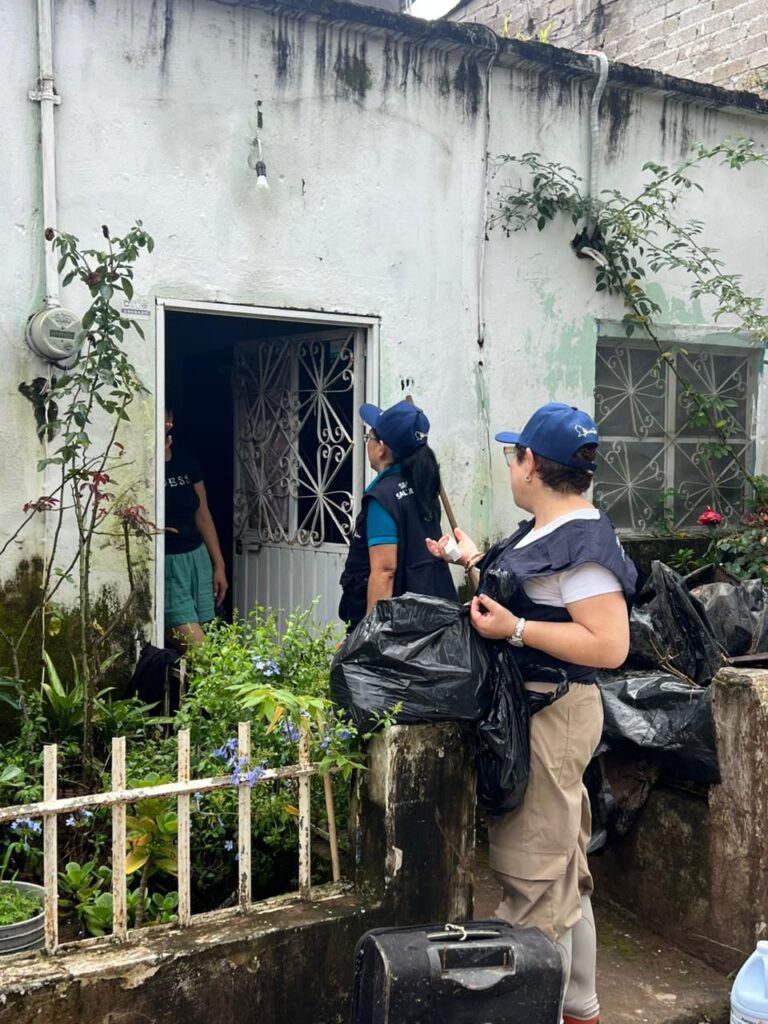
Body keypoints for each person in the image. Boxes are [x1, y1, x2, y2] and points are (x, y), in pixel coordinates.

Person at [427, 402, 637, 1024]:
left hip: (553, 713)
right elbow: (526, 593)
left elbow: (609, 645)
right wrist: (471, 560)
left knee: (533, 879)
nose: (510, 466)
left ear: (530, 465)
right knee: (564, 871)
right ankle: (579, 1007)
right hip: (539, 711)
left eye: (512, 454)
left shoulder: (584, 544)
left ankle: (533, 1008)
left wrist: (516, 630)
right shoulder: (547, 528)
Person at [339, 400, 457, 630]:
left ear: (381, 448)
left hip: (399, 628)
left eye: (369, 437)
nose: (367, 442)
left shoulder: (382, 499)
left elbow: (384, 573)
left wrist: (369, 636)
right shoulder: (425, 485)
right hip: (431, 618)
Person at [164, 410, 228, 648]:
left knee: (211, 634)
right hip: (167, 564)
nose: (166, 423)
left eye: (168, 417)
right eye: (161, 418)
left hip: (197, 558)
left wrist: (219, 565)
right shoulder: (144, 461)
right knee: (200, 650)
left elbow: (202, 514)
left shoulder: (184, 457)